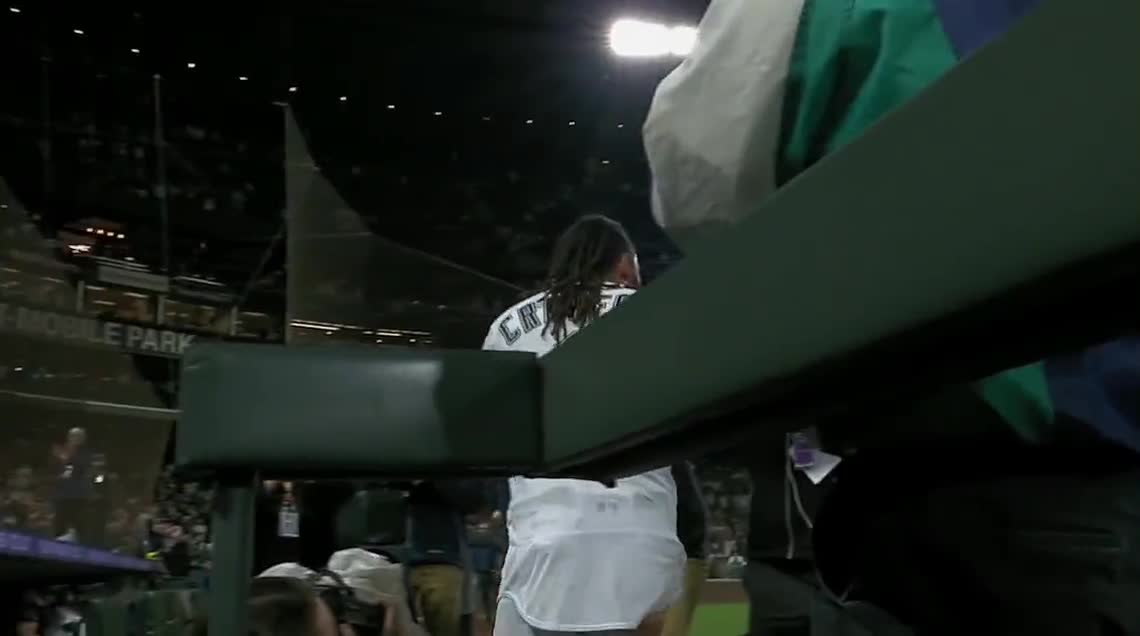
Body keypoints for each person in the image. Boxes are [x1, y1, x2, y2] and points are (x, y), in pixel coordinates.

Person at [482, 214, 686, 636]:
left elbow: (495, 441)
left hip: (540, 551)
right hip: (639, 543)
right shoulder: (653, 310)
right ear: (626, 267)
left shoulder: (505, 328)